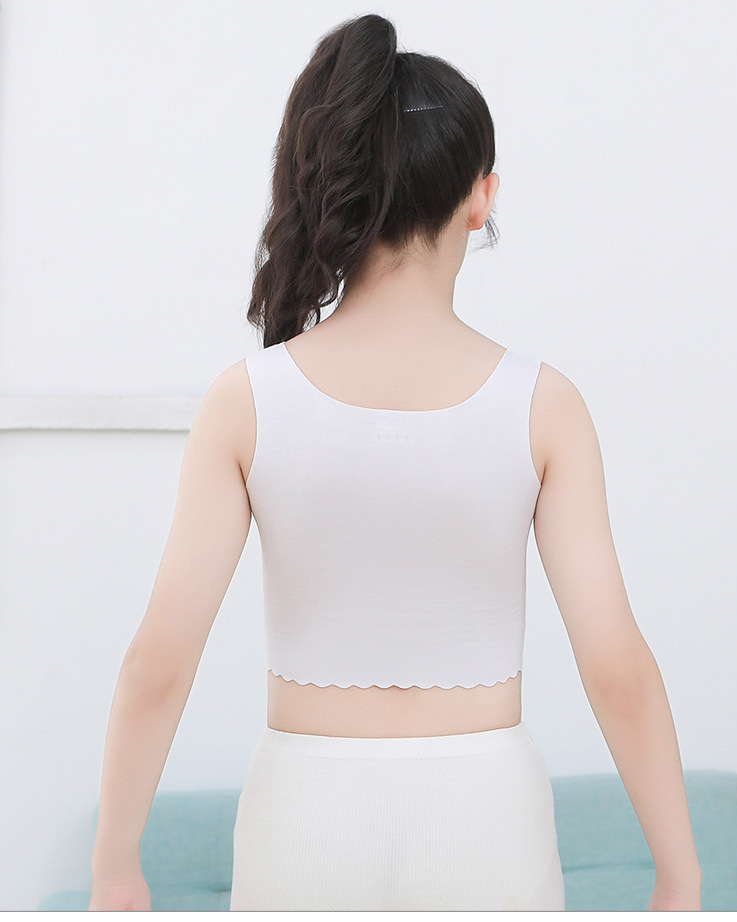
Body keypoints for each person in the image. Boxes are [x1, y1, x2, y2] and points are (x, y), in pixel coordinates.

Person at [88, 13, 703, 912]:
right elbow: (618, 666)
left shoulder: (246, 400)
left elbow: (158, 662)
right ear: (481, 198)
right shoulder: (545, 405)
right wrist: (680, 875)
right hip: (488, 818)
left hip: (303, 816)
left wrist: (115, 867)